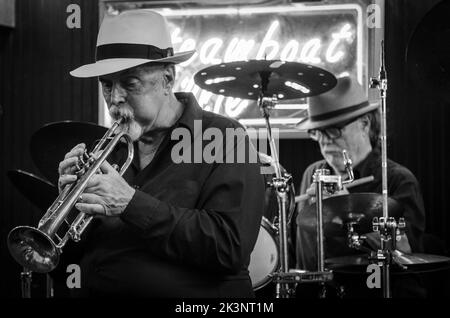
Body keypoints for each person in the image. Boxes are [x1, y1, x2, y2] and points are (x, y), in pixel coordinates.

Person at [56, 10, 265, 297]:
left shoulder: (224, 137)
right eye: (107, 85)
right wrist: (67, 207)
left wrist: (130, 203)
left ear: (167, 79)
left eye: (130, 83)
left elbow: (229, 249)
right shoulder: (107, 151)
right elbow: (75, 259)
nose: (115, 99)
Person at [294, 76, 426, 297]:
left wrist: (344, 209)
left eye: (334, 130)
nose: (325, 141)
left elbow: (406, 250)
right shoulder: (312, 174)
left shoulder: (397, 180)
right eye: (318, 132)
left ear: (365, 124)